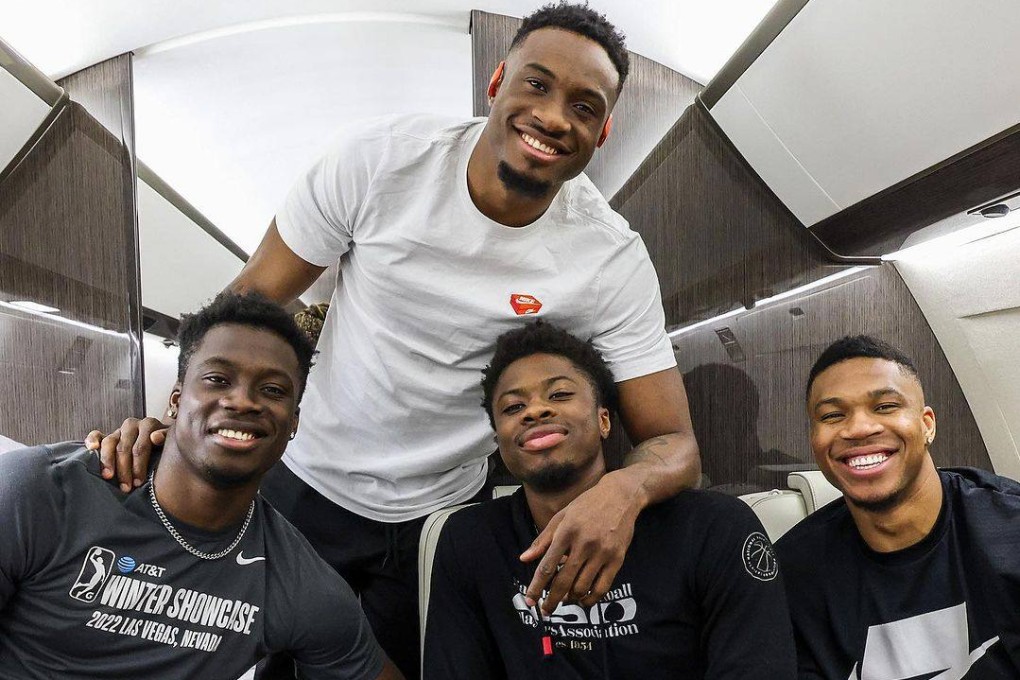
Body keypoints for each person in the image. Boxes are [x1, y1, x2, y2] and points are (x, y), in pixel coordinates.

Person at [89, 3, 700, 675]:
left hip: (441, 517)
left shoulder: (607, 258)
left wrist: (622, 492)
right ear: (497, 84)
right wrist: (177, 420)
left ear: (604, 130)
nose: (554, 116)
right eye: (537, 84)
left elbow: (673, 443)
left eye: (584, 107)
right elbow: (248, 303)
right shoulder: (379, 162)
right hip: (304, 480)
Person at [1, 292, 402, 680]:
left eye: (273, 390)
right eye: (217, 379)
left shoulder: (296, 581)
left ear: (293, 423)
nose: (243, 401)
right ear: (175, 401)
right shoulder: (41, 493)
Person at [422, 321, 796, 679]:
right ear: (499, 441)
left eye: (560, 394)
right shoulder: (472, 540)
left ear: (604, 421)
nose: (535, 411)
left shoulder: (714, 529)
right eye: (513, 408)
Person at [775, 335, 1020, 679]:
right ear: (814, 442)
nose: (859, 428)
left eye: (885, 406)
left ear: (927, 425)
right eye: (833, 415)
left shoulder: (1009, 529)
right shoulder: (792, 575)